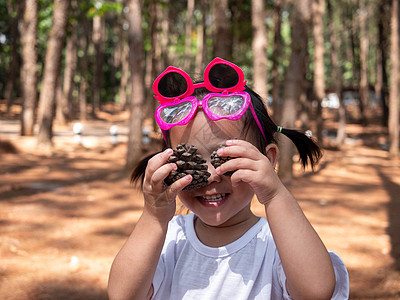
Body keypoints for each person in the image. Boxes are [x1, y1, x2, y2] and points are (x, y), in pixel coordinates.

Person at [108, 58, 349, 300]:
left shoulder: (278, 243)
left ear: (267, 161)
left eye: (227, 158)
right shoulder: (168, 239)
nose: (211, 176)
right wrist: (153, 216)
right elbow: (122, 295)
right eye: (190, 163)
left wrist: (275, 195)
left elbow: (317, 291)